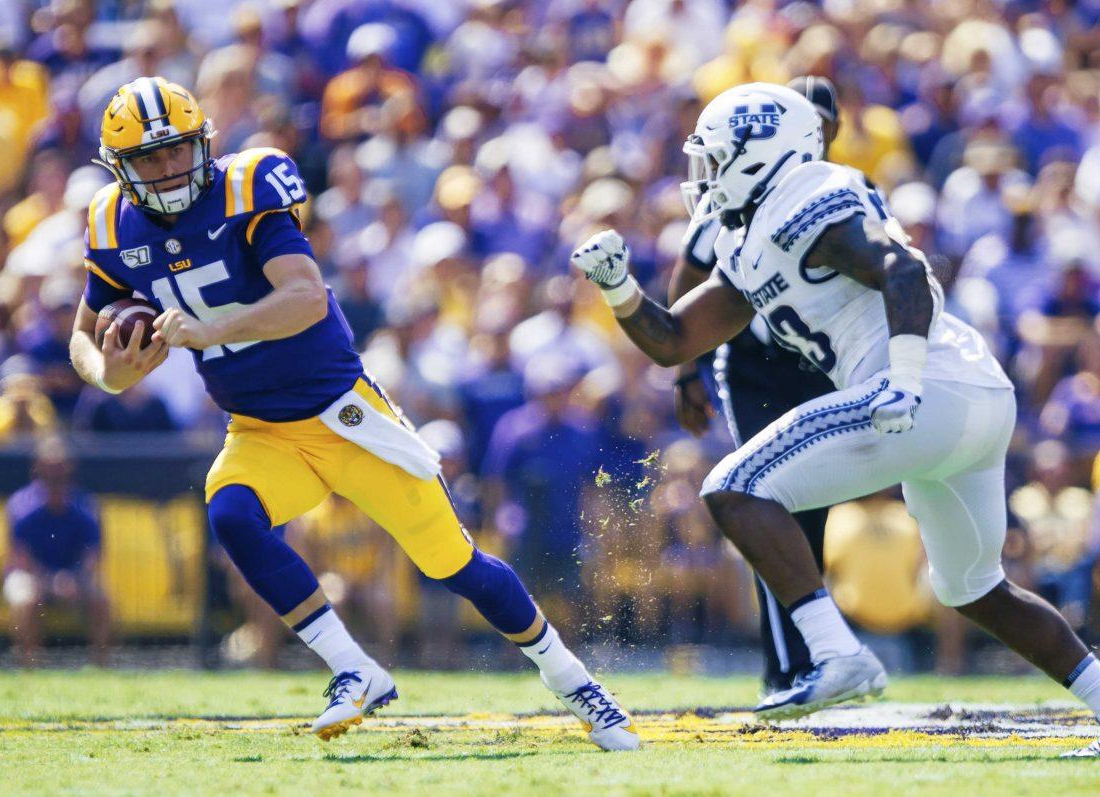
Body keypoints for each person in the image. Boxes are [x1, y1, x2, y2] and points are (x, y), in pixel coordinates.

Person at [66, 77, 636, 750]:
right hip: (258, 428)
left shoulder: (249, 188)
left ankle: (574, 680)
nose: (166, 170)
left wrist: (205, 332)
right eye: (149, 159)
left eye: (178, 151)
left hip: (343, 413)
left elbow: (305, 298)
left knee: (452, 562)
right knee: (231, 512)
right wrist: (108, 374)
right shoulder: (110, 221)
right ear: (119, 168)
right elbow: (83, 332)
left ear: (205, 143)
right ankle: (354, 668)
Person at [570, 81, 1100, 758]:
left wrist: (904, 379)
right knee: (975, 587)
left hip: (921, 386)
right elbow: (677, 339)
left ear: (762, 155)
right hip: (971, 399)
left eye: (718, 158)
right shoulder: (752, 235)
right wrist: (620, 289)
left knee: (735, 485)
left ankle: (836, 654)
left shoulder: (809, 196)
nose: (702, 176)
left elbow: (902, 269)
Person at [670, 75, 840, 694]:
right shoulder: (733, 198)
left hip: (826, 369)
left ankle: (812, 658)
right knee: (772, 506)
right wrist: (686, 369)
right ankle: (790, 665)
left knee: (810, 515)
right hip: (755, 370)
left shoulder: (842, 192)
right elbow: (687, 274)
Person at [4, 436, 111, 667]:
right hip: (32, 577)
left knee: (101, 598)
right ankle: (30, 666)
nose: (55, 475)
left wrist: (73, 578)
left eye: (60, 468)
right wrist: (52, 581)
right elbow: (21, 559)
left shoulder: (85, 505)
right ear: (38, 468)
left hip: (74, 576)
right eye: (50, 468)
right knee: (25, 598)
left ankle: (101, 666)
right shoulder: (21, 505)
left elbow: (92, 556)